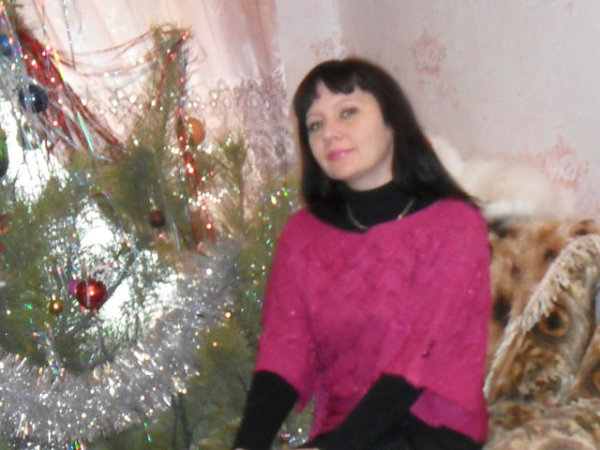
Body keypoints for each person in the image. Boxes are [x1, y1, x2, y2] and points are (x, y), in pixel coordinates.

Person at [233, 57, 492, 450]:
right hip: (343, 432)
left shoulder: (456, 225)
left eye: (347, 112)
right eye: (315, 125)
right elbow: (285, 349)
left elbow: (419, 359)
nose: (329, 133)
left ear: (392, 121)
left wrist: (335, 447)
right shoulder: (303, 235)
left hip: (434, 432)